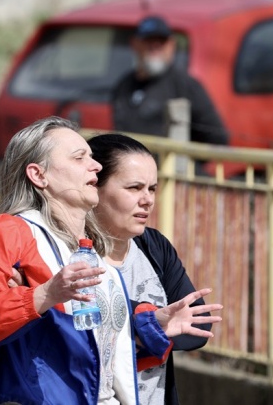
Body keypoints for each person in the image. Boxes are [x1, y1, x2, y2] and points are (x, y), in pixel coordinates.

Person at [0, 116, 222, 404]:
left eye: (92, 157)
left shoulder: (90, 247)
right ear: (38, 175)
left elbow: (96, 358)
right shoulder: (9, 230)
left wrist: (150, 326)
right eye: (79, 157)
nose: (95, 166)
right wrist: (42, 295)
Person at [89, 133, 212, 405]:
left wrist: (146, 331)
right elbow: (84, 331)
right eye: (134, 188)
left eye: (152, 189)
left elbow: (195, 329)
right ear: (93, 187)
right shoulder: (71, 254)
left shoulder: (154, 246)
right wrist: (149, 326)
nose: (147, 200)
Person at [111, 15, 228, 171]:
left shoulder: (185, 85)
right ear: (134, 43)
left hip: (172, 177)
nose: (155, 47)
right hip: (132, 174)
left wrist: (182, 164)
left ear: (172, 45)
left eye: (161, 41)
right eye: (148, 41)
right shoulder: (123, 85)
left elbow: (217, 138)